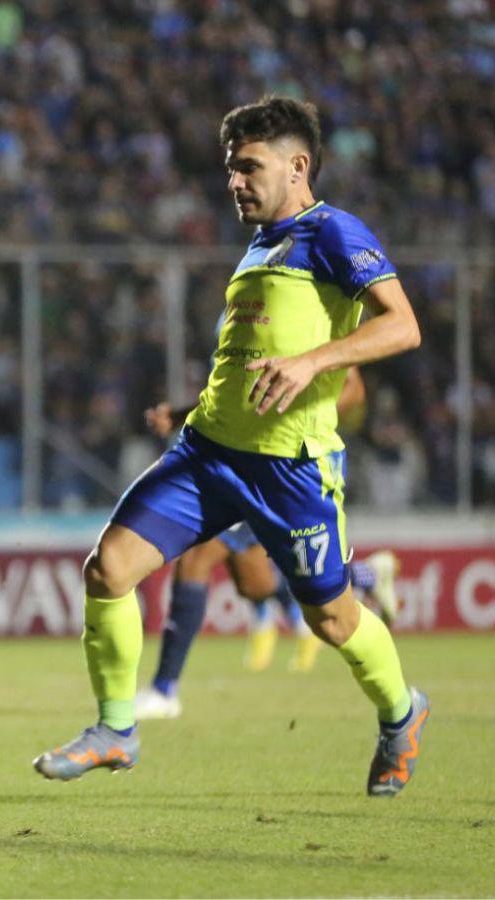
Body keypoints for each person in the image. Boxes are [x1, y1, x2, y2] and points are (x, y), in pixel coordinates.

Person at [33, 96, 427, 796]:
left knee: (333, 621)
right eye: (229, 169)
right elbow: (252, 354)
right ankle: (117, 730)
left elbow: (403, 327)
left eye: (249, 166)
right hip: (207, 454)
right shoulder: (257, 248)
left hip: (291, 468)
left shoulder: (331, 231)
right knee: (108, 570)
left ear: (297, 166)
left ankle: (402, 714)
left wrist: (315, 363)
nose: (234, 182)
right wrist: (192, 407)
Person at [135, 369, 405, 720]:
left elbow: (353, 390)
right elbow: (231, 396)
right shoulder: (237, 317)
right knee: (254, 584)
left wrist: (297, 422)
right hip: (230, 458)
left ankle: (164, 689)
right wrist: (182, 415)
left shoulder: (312, 319)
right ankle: (365, 575)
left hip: (279, 464)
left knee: (196, 562)